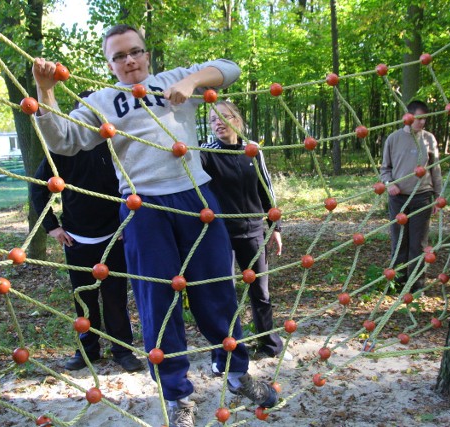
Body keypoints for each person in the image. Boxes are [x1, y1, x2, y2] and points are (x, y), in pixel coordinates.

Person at [31, 24, 277, 427]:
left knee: (216, 291)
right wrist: (46, 91)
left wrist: (192, 82)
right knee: (156, 302)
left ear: (147, 54)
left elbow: (229, 67)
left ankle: (236, 374)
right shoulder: (101, 102)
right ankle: (178, 395)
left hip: (197, 199)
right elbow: (64, 140)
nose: (130, 61)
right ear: (109, 63)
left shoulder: (170, 81)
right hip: (143, 206)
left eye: (136, 52)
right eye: (119, 56)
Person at [29, 91, 143, 373]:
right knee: (84, 298)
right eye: (85, 111)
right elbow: (37, 186)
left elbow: (135, 188)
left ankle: (123, 351)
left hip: (114, 237)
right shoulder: (62, 149)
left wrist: (127, 224)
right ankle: (88, 351)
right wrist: (52, 228)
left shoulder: (116, 144)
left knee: (115, 298)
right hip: (78, 239)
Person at [201, 100, 289, 368]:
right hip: (220, 233)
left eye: (224, 117)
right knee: (223, 292)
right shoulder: (205, 152)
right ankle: (227, 350)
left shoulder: (252, 151)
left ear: (236, 120)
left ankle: (269, 343)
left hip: (252, 230)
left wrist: (275, 227)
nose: (218, 122)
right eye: (213, 119)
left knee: (260, 291)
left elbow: (266, 190)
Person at [380, 100, 442, 291]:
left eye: (425, 119)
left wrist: (438, 197)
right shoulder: (393, 139)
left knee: (419, 242)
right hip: (398, 198)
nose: (422, 123)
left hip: (422, 196)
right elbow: (385, 169)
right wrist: (389, 184)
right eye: (419, 118)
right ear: (408, 117)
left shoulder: (429, 139)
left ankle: (416, 286)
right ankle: (398, 283)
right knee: (399, 241)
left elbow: (435, 169)